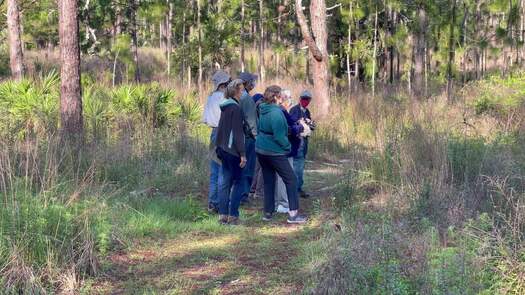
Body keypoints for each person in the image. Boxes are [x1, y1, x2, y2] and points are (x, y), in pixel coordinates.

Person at [255, 85, 307, 224]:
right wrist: (288, 147)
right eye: (281, 95)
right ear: (277, 97)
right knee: (291, 179)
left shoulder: (263, 108)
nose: (283, 98)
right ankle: (293, 214)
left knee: (269, 180)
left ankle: (267, 213)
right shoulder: (276, 112)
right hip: (274, 151)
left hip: (261, 149)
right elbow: (279, 136)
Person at [215, 79, 247, 225]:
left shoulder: (225, 107)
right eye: (241, 90)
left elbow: (220, 129)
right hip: (233, 151)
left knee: (225, 182)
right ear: (235, 91)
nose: (243, 92)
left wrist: (218, 147)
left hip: (222, 149)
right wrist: (243, 154)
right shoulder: (235, 108)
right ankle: (233, 215)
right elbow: (238, 133)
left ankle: (222, 215)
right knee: (240, 181)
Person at [202, 70, 230, 213]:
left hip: (213, 132)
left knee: (214, 170)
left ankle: (213, 203)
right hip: (224, 133)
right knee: (223, 170)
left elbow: (205, 119)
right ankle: (220, 203)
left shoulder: (210, 97)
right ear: (224, 84)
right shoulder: (224, 99)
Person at [274, 89, 304, 213]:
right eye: (287, 97)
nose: (289, 100)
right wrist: (299, 128)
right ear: (280, 98)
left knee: (280, 177)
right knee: (284, 177)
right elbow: (287, 129)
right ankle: (284, 204)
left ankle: (279, 202)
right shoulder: (279, 111)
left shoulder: (280, 110)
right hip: (284, 149)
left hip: (284, 149)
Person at [290, 90, 315, 199]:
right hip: (298, 141)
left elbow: (309, 125)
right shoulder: (294, 110)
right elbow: (292, 124)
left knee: (300, 166)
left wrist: (311, 124)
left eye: (307, 99)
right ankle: (296, 190)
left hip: (304, 141)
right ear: (300, 99)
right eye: (304, 98)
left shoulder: (307, 111)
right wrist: (302, 122)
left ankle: (298, 188)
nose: (305, 101)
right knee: (297, 167)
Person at [238, 72, 258, 204]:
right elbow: (251, 121)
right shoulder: (247, 99)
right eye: (252, 81)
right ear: (247, 83)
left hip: (239, 136)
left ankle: (239, 193)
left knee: (240, 165)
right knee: (248, 167)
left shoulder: (236, 96)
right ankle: (244, 195)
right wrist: (257, 137)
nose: (253, 84)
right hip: (249, 137)